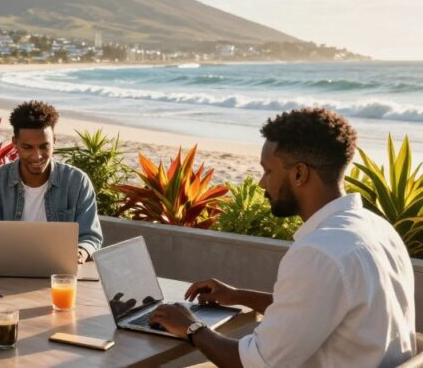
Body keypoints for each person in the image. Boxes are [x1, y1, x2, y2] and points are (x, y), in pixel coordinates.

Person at [150, 108, 416, 367]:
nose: (262, 183)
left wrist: (191, 327)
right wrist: (238, 295)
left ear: (299, 174)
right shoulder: (377, 228)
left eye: (268, 171)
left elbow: (255, 363)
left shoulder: (319, 252)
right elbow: (315, 308)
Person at [0, 100, 102, 262]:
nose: (37, 156)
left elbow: (91, 237)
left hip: (60, 277)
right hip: (6, 271)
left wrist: (80, 253)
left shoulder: (77, 182)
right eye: (28, 147)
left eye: (44, 146)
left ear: (54, 141)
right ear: (15, 143)